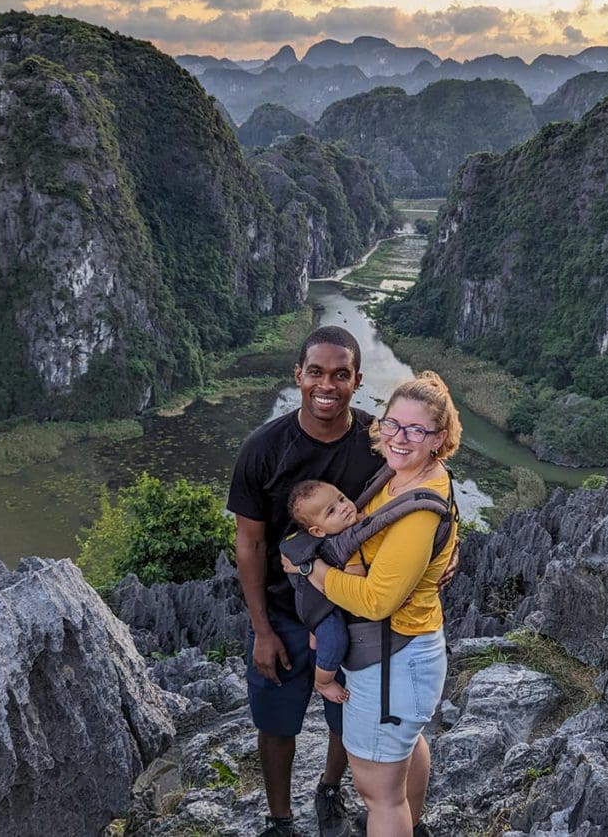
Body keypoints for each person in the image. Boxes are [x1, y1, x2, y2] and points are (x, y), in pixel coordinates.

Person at [283, 371, 461, 837]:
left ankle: (398, 823)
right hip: (403, 653)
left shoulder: (419, 508)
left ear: (439, 438)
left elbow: (377, 600)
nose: (399, 438)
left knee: (377, 793)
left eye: (416, 430)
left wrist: (308, 570)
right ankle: (412, 824)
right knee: (401, 753)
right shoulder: (403, 473)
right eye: (392, 424)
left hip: (392, 657)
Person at [228, 325, 384, 837]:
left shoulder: (376, 443)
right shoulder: (263, 449)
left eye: (341, 374)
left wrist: (444, 553)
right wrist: (262, 631)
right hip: (282, 611)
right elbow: (249, 544)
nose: (327, 384)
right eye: (315, 372)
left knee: (348, 720)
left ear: (357, 380)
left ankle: (330, 789)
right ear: (298, 375)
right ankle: (279, 820)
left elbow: (423, 484)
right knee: (275, 722)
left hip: (352, 609)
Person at [286, 480, 366, 705]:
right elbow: (354, 584)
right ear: (317, 530)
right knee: (335, 639)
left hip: (315, 599)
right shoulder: (340, 544)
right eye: (331, 511)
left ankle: (315, 632)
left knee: (324, 626)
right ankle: (323, 681)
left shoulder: (341, 528)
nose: (343, 507)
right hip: (318, 604)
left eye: (341, 498)